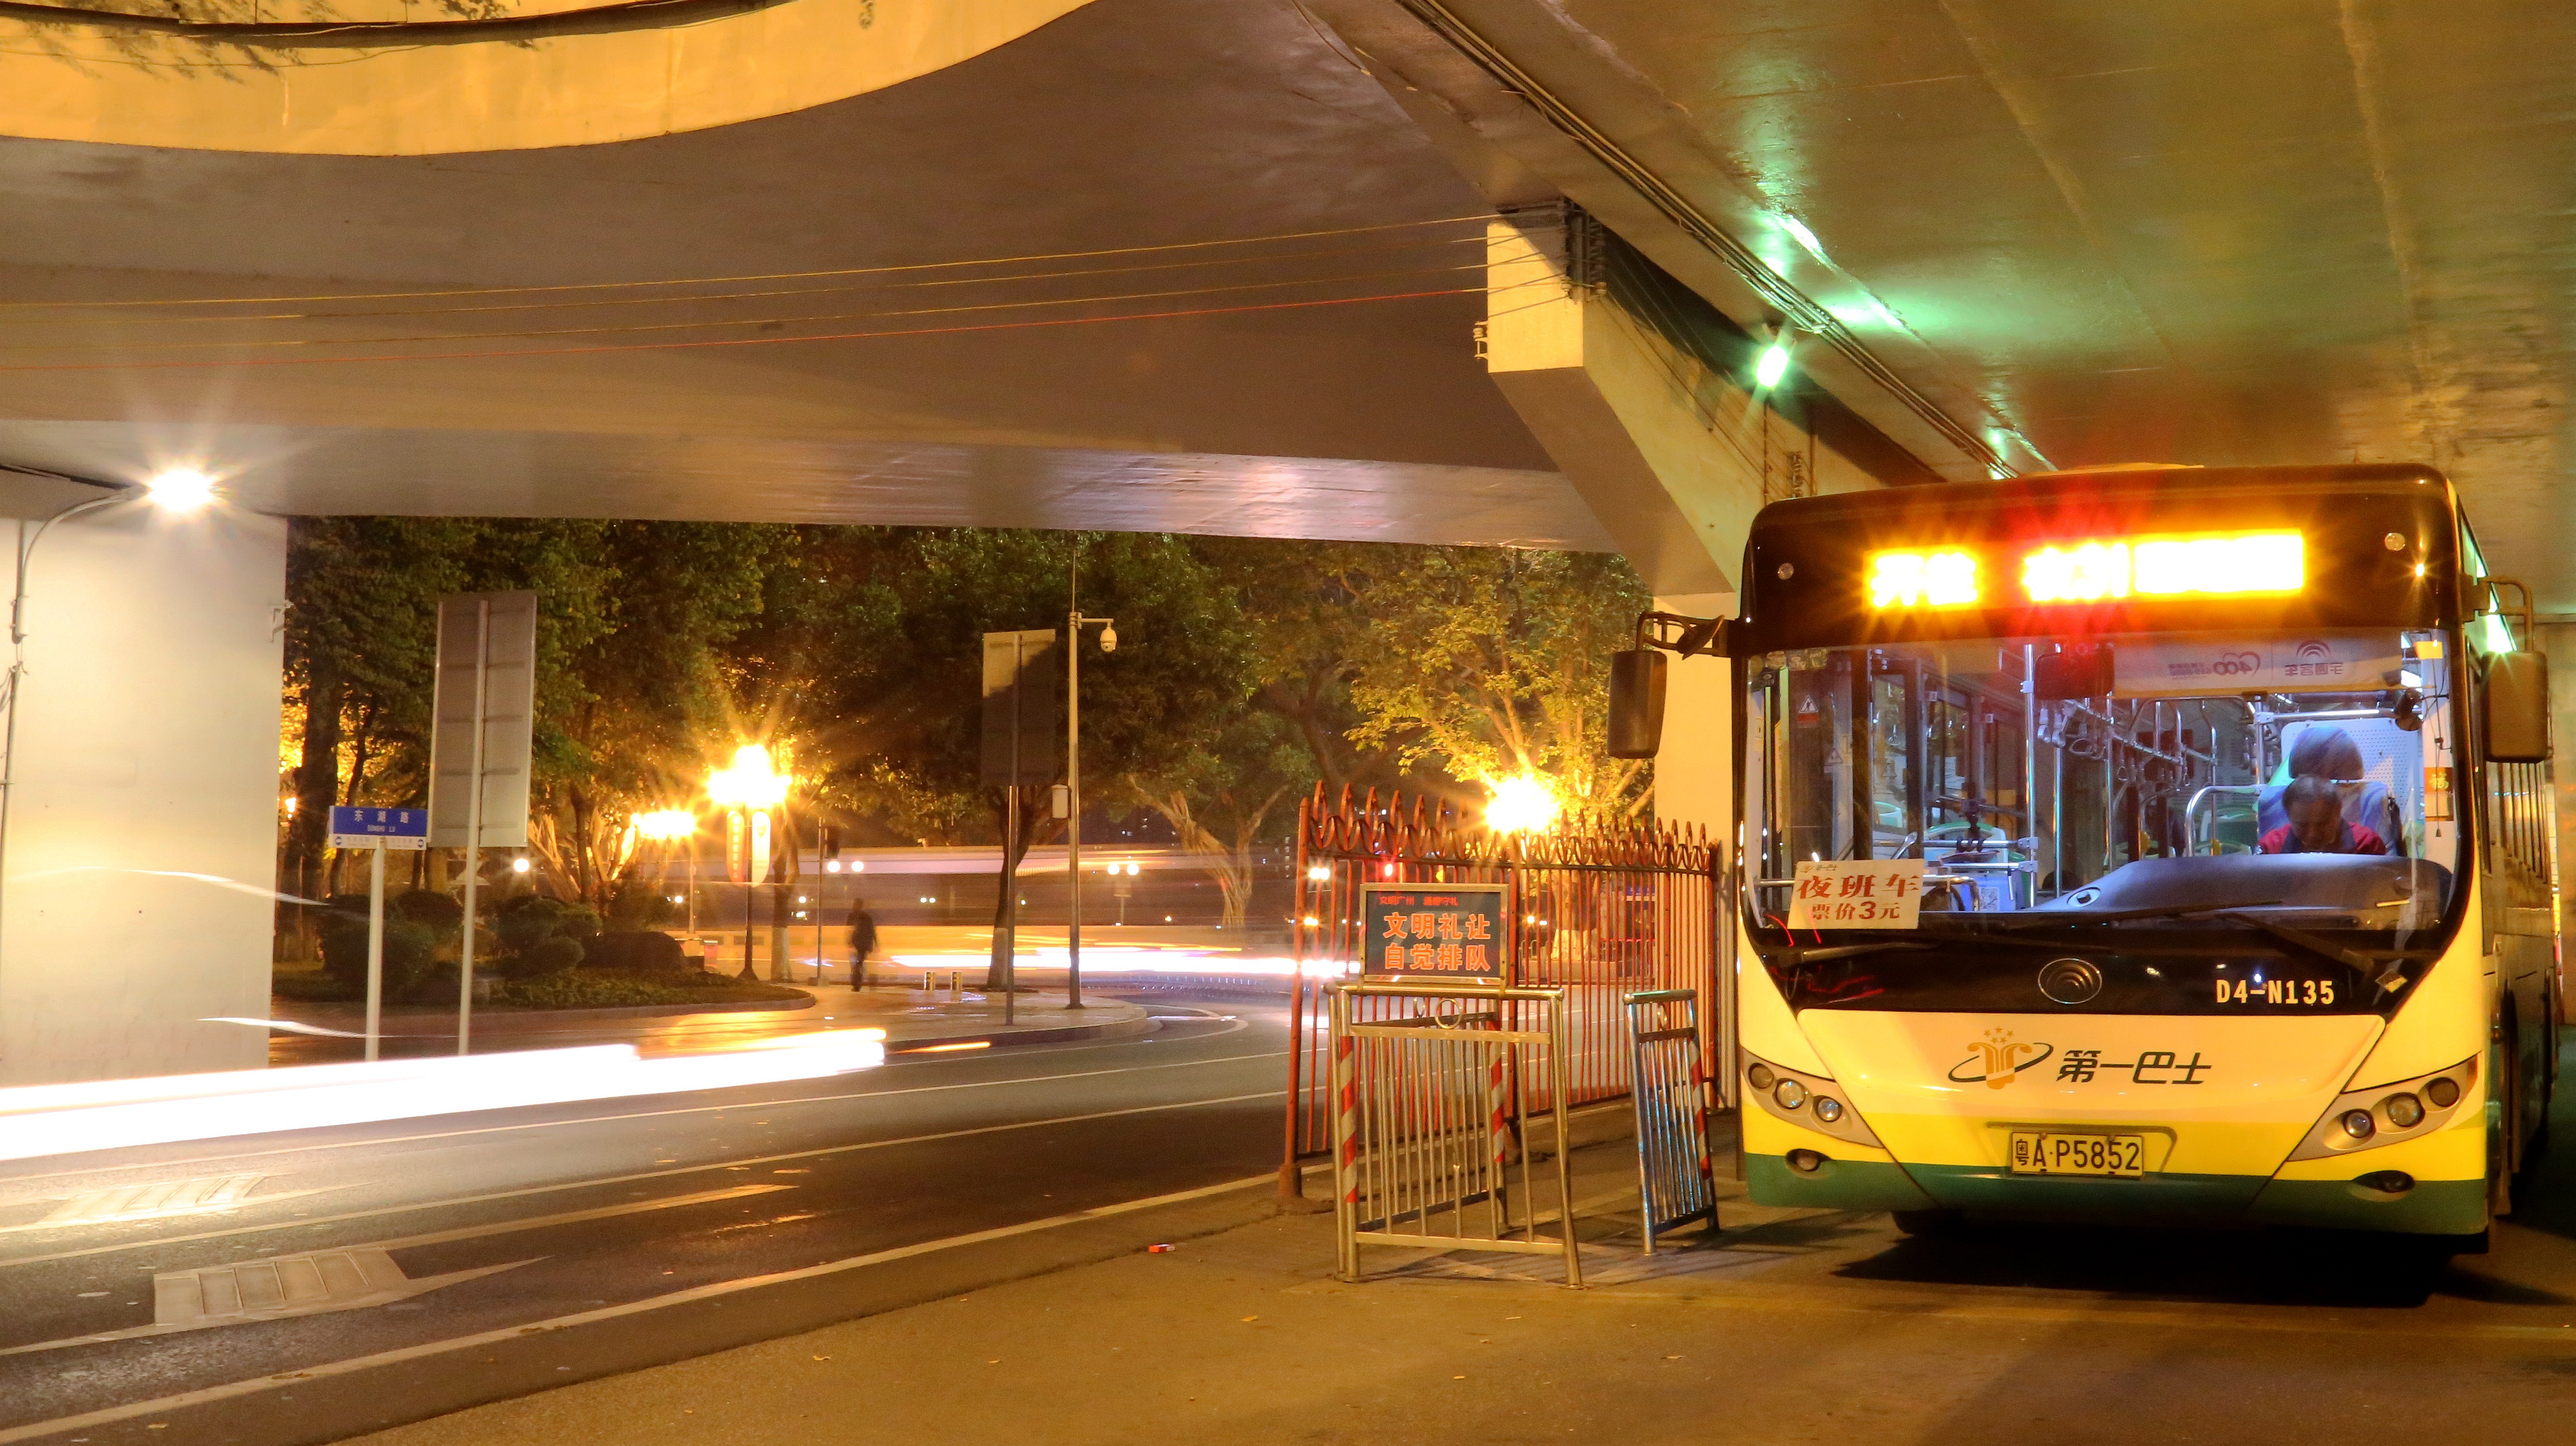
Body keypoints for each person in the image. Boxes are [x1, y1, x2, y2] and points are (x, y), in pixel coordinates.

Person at [2259, 774, 2389, 855]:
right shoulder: (2271, 847)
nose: (2313, 834)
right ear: (2289, 816)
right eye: (2302, 825)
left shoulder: (2366, 844)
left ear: (2338, 812)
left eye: (2322, 824)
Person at [847, 899, 879, 990]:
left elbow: (852, 930)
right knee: (858, 964)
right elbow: (872, 931)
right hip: (861, 945)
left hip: (859, 945)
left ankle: (856, 984)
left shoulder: (855, 916)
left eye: (855, 905)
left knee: (857, 964)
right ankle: (857, 983)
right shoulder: (866, 917)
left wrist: (850, 942)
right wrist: (875, 944)